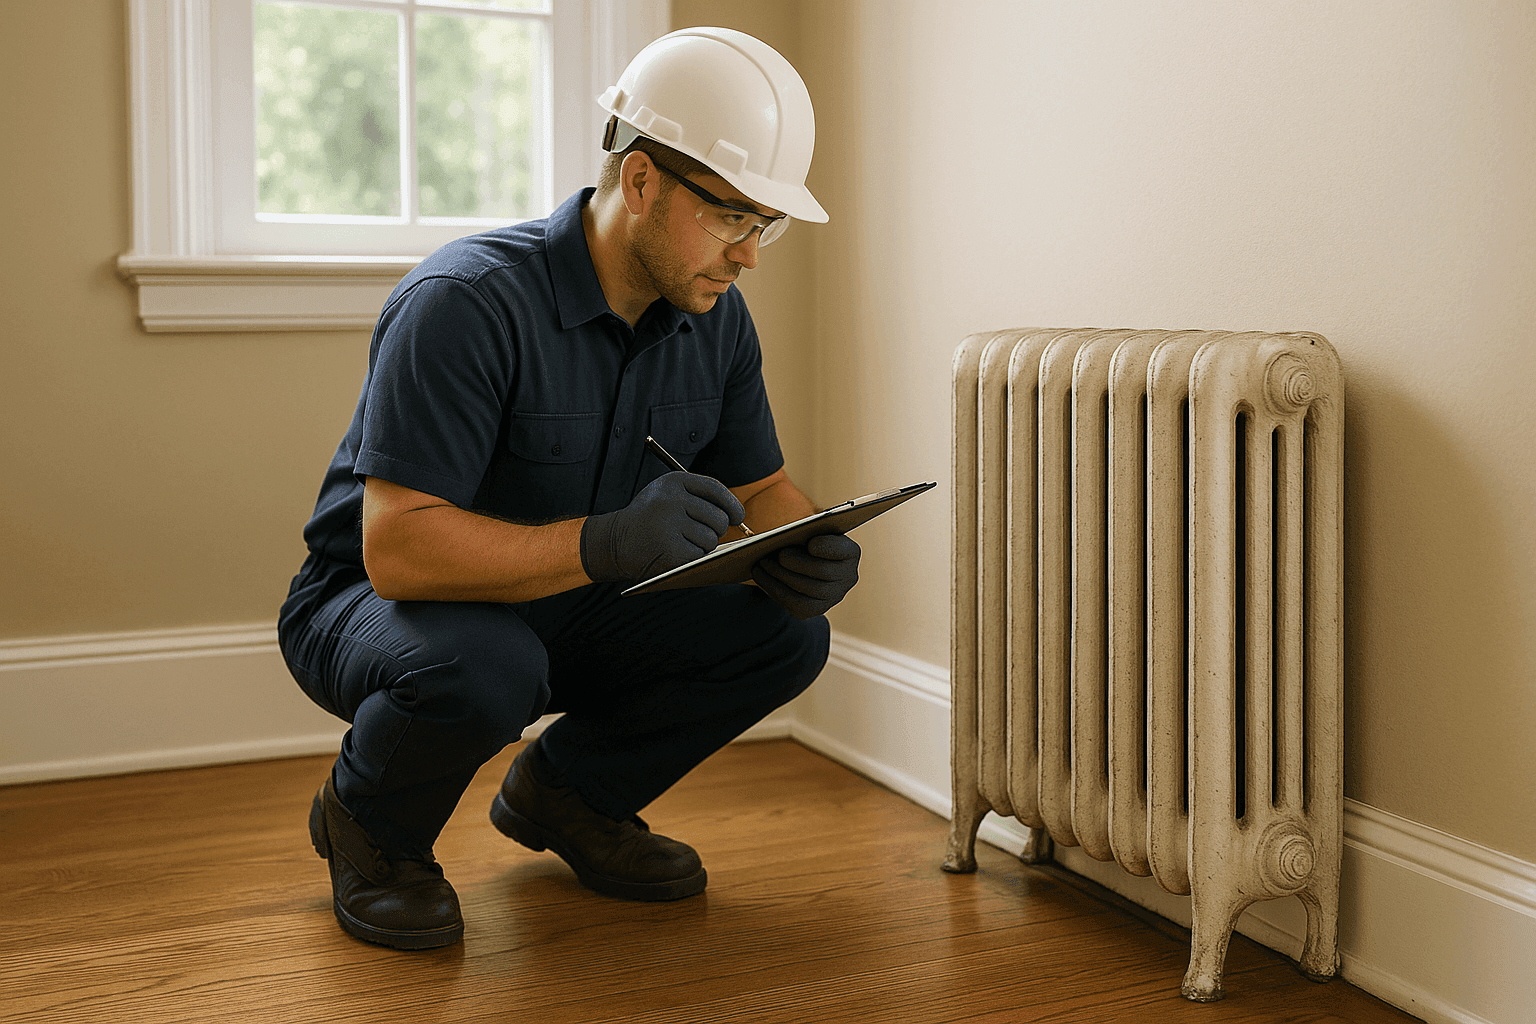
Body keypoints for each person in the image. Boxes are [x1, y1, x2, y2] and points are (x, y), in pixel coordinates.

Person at [277, 26, 859, 950]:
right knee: (486, 667)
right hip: (375, 605)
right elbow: (397, 549)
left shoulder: (715, 317)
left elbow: (766, 484)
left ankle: (570, 795)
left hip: (568, 601)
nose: (749, 254)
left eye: (764, 224)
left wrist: (805, 541)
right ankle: (370, 825)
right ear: (639, 181)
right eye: (731, 217)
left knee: (783, 634)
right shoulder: (464, 303)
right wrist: (605, 542)